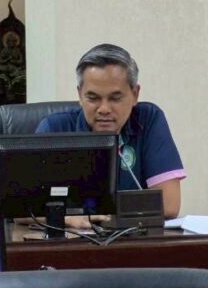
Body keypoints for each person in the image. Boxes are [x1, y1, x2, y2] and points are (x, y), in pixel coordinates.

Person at [35, 44, 185, 220]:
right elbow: (20, 211)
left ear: (135, 94)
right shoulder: (54, 129)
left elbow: (169, 205)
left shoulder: (148, 120)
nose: (104, 109)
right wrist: (68, 219)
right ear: (80, 95)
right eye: (93, 98)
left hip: (131, 235)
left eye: (115, 98)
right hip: (70, 235)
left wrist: (90, 214)